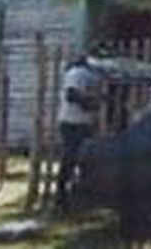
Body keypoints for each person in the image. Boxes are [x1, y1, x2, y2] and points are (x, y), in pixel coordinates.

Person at [55, 47, 105, 210]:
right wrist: (91, 103)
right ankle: (61, 197)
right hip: (72, 122)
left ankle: (79, 196)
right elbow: (72, 94)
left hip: (84, 123)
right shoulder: (77, 73)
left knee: (86, 160)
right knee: (69, 160)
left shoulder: (92, 74)